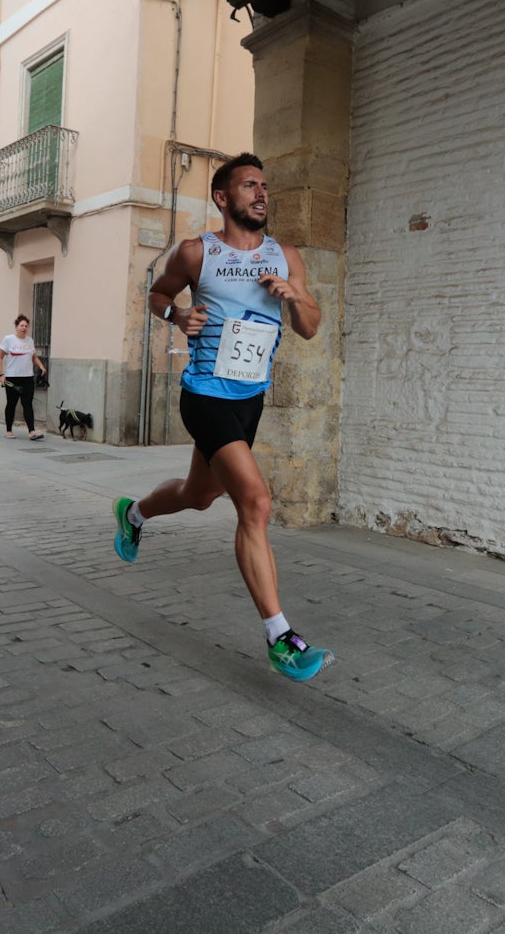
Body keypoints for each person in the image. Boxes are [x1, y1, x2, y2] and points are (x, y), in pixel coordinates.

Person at [112, 153, 334, 682]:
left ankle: (133, 514)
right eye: (249, 185)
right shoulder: (197, 252)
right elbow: (157, 294)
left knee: (199, 495)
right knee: (255, 502)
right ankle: (280, 637)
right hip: (205, 395)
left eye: (264, 186)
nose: (261, 194)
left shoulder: (285, 256)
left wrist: (294, 296)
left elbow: (309, 326)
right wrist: (177, 315)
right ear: (222, 197)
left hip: (248, 399)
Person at [0, 314, 47, 440]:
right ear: (16, 326)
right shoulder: (8, 339)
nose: (24, 328)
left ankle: (32, 432)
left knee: (28, 404)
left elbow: (33, 356)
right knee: (11, 404)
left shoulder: (30, 341)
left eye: (26, 326)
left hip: (27, 378)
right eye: (22, 325)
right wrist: (2, 374)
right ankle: (9, 430)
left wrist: (41, 366)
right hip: (12, 378)